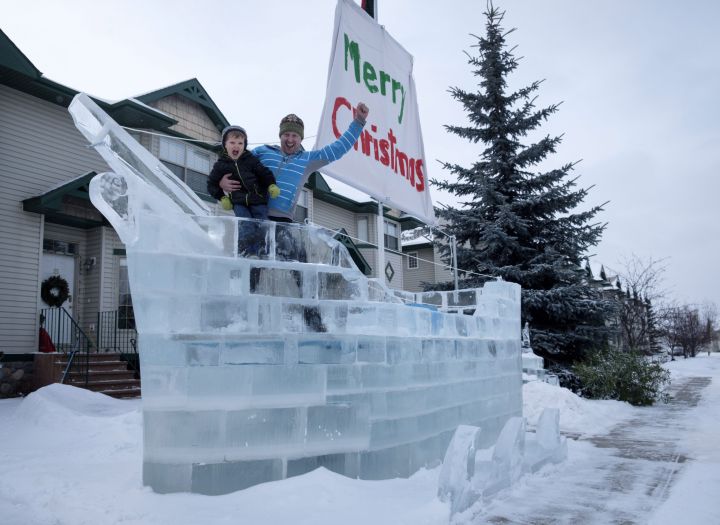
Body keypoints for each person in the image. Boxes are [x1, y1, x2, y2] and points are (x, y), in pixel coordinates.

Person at [219, 103, 369, 331]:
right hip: (253, 218)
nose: (290, 140)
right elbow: (233, 160)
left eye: (294, 136)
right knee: (249, 267)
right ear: (280, 135)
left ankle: (312, 319)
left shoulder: (307, 160)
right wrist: (221, 181)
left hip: (283, 223)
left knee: (301, 270)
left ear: (300, 138)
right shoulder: (262, 152)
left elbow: (338, 149)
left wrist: (358, 123)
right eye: (286, 134)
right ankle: (240, 319)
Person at [208, 125, 280, 255]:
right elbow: (211, 184)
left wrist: (271, 185)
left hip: (257, 199)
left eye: (240, 143)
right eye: (232, 142)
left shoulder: (250, 160)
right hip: (239, 201)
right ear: (225, 144)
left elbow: (264, 173)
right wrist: (222, 197)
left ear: (244, 145)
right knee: (245, 225)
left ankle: (262, 250)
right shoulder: (221, 165)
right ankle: (246, 251)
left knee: (262, 224)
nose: (236, 146)